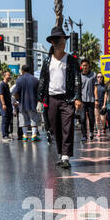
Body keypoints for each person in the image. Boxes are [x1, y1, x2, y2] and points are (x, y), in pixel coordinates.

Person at [37, 25, 82, 169]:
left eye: (63, 40)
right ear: (53, 42)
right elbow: (43, 80)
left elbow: (77, 79)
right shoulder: (47, 61)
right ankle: (61, 153)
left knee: (67, 127)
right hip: (51, 99)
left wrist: (78, 98)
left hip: (67, 99)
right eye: (59, 40)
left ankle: (66, 157)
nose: (62, 42)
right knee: (54, 127)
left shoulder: (71, 59)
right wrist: (40, 99)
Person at [15, 65, 40, 143]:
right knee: (34, 120)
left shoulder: (19, 80)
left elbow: (16, 93)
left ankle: (25, 136)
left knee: (23, 120)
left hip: (22, 103)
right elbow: (39, 92)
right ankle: (33, 136)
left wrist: (18, 100)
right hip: (33, 103)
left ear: (22, 71)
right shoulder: (35, 80)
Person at [80, 59, 96, 141]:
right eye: (83, 65)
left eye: (86, 65)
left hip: (91, 100)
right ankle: (84, 135)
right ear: (81, 66)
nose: (85, 67)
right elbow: (78, 89)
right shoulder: (79, 76)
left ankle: (92, 132)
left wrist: (96, 99)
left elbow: (95, 88)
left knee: (91, 118)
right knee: (82, 118)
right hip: (82, 100)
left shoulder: (93, 75)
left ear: (88, 66)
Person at [0, 71, 13, 143]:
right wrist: (3, 104)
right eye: (8, 75)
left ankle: (7, 134)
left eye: (10, 75)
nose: (9, 76)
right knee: (5, 120)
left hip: (9, 105)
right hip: (5, 106)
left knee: (8, 120)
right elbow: (1, 95)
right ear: (4, 76)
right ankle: (4, 135)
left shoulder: (7, 85)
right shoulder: (2, 85)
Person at [94, 72, 106, 137]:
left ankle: (103, 128)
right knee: (97, 118)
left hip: (103, 103)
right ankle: (98, 131)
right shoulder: (95, 86)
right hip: (96, 104)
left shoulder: (105, 86)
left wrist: (104, 104)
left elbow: (106, 95)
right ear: (96, 78)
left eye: (101, 77)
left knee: (103, 119)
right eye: (98, 77)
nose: (100, 78)